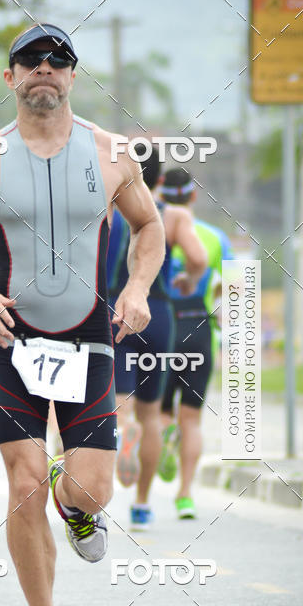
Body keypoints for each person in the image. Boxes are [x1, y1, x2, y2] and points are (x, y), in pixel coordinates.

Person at [0, 23, 164, 606]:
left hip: (92, 335)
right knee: (24, 480)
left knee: (90, 491)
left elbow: (148, 228)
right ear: (10, 77)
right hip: (13, 335)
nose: (45, 68)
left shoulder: (112, 152)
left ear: (72, 76)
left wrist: (139, 286)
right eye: (30, 61)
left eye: (57, 60)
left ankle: (80, 507)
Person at [108, 146, 207, 530]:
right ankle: (143, 504)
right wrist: (189, 280)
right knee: (152, 415)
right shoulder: (174, 216)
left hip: (114, 312)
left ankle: (122, 432)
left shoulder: (109, 212)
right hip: (159, 314)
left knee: (119, 408)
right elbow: (198, 259)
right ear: (160, 179)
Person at [158, 167, 233, 519]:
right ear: (193, 196)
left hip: (161, 329)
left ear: (160, 193)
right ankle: (185, 496)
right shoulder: (215, 237)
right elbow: (233, 288)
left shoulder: (152, 228)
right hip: (199, 332)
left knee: (156, 414)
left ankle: (163, 439)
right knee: (192, 420)